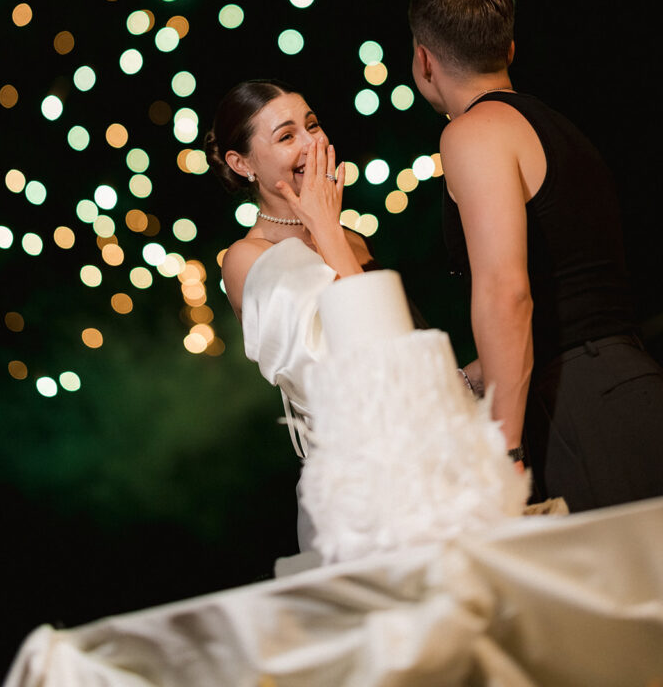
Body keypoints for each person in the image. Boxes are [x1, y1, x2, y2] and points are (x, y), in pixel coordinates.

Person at [204, 79, 528, 556]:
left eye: (312, 125)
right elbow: (355, 374)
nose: (313, 143)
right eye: (287, 135)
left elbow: (403, 356)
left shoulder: (350, 238)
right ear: (241, 163)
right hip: (369, 499)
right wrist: (327, 229)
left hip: (441, 464)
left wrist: (471, 376)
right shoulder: (247, 258)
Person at [408, 0, 663, 512]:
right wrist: (465, 381)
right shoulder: (558, 129)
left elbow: (506, 291)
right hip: (630, 386)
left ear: (424, 60)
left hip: (580, 408)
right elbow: (566, 297)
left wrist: (505, 444)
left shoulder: (471, 133)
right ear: (510, 50)